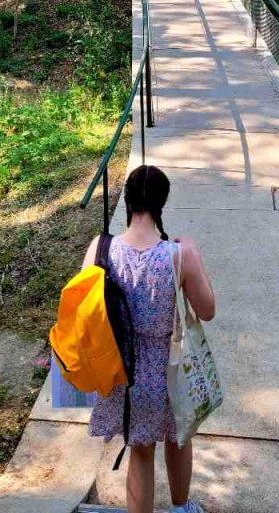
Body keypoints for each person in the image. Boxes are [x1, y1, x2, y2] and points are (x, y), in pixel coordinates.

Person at [83, 164, 216, 513]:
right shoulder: (178, 254)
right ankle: (181, 508)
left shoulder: (101, 248)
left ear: (127, 201)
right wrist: (195, 256)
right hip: (169, 370)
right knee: (179, 435)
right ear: (162, 203)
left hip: (122, 370)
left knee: (141, 451)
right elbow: (207, 310)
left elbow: (85, 310)